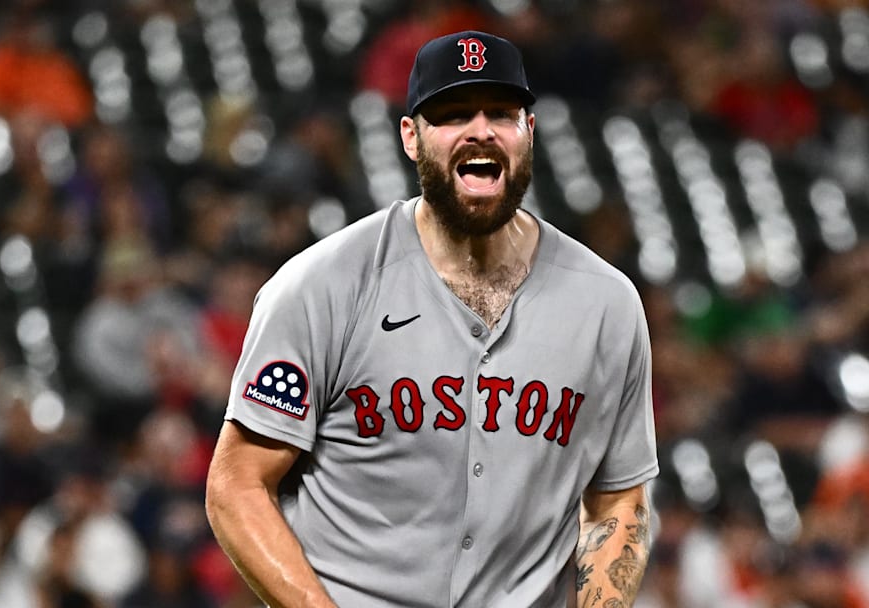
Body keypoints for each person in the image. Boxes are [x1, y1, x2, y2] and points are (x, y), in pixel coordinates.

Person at [204, 30, 659, 607]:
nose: (480, 130)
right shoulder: (321, 286)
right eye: (451, 114)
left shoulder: (606, 304)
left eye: (502, 112)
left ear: (529, 133)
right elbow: (237, 485)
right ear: (411, 138)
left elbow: (619, 499)